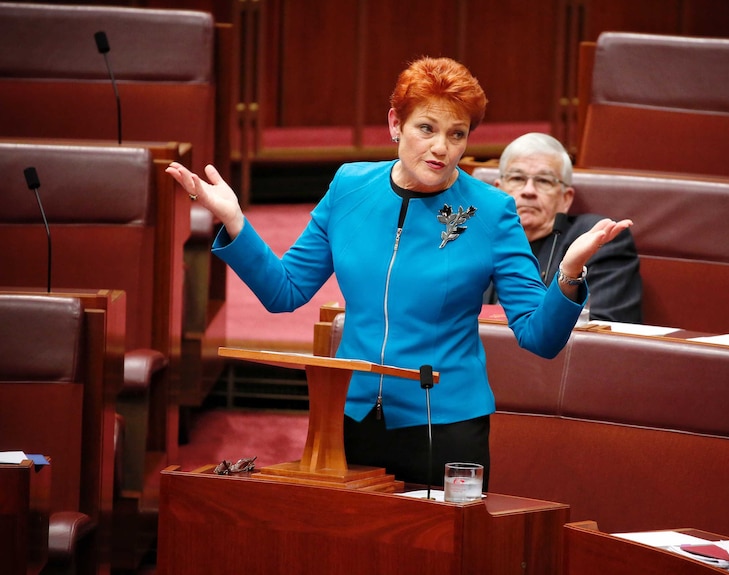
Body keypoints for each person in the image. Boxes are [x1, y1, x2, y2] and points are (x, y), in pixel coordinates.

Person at [166, 57, 632, 489]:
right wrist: (236, 223)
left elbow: (539, 337)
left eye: (457, 134)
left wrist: (569, 273)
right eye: (426, 128)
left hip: (446, 428)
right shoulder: (349, 187)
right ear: (395, 124)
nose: (441, 148)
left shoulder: (492, 211)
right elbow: (284, 292)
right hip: (348, 422)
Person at [486, 132, 643, 323]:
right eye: (517, 178)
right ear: (499, 189)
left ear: (565, 198)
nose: (528, 191)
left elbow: (602, 328)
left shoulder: (596, 242)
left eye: (544, 181)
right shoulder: (471, 236)